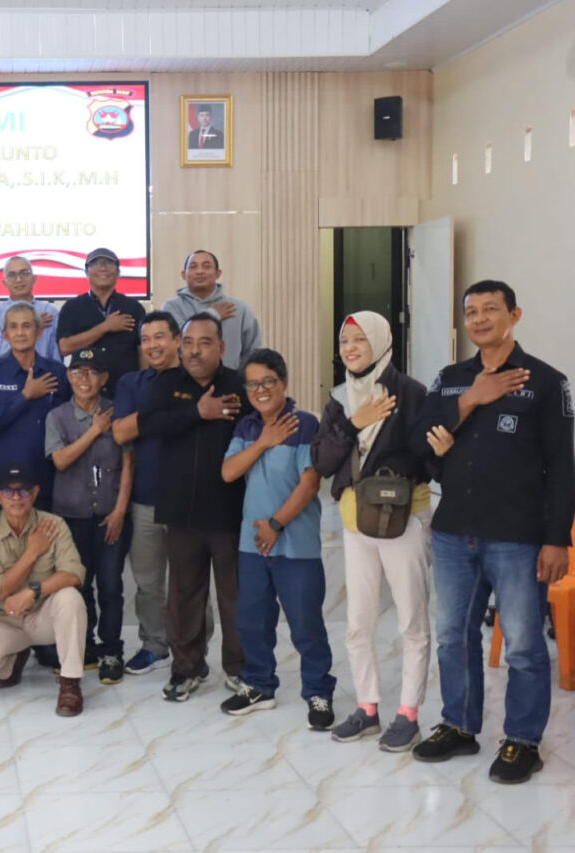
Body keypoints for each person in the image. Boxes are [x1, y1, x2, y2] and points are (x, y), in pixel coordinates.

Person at [411, 280, 573, 784]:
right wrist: (471, 400)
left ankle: (523, 739)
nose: (478, 319)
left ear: (514, 315)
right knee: (453, 637)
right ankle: (460, 725)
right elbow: (421, 441)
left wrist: (557, 539)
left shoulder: (545, 382)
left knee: (523, 643)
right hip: (454, 530)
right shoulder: (450, 379)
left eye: (490, 309)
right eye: (471, 311)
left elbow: (563, 467)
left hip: (516, 535)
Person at [312, 311, 433, 751]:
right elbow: (323, 462)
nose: (350, 348)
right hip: (355, 521)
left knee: (412, 620)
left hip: (402, 519)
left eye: (359, 339)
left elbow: (426, 458)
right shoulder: (339, 399)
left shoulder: (410, 392)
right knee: (358, 622)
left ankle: (408, 714)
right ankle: (367, 708)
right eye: (344, 340)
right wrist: (354, 423)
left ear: (381, 341)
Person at [219, 349, 336, 731]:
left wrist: (276, 524)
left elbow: (310, 483)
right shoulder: (247, 427)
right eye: (252, 384)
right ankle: (259, 685)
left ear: (283, 382)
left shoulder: (304, 424)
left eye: (268, 381)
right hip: (252, 545)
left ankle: (318, 690)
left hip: (295, 544)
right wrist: (264, 442)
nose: (260, 390)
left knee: (305, 625)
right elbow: (228, 472)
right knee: (252, 621)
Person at [140, 313, 249, 702]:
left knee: (235, 597)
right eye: (188, 343)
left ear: (221, 347)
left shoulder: (239, 384)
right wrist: (196, 413)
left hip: (229, 511)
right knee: (184, 596)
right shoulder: (166, 384)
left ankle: (240, 669)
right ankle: (186, 668)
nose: (194, 351)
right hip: (180, 511)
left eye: (204, 343)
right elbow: (149, 426)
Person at [113, 312, 209, 676]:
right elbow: (120, 433)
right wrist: (170, 413)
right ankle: (154, 644)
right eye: (146, 339)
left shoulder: (196, 379)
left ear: (176, 341)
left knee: (191, 582)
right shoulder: (132, 383)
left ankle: (195, 649)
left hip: (190, 500)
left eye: (159, 337)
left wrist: (148, 419)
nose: (152, 345)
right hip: (145, 499)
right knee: (148, 582)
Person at [0, 464, 88, 717]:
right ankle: (13, 663)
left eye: (23, 491)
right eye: (9, 492)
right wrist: (31, 553)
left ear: (35, 492)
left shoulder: (54, 524)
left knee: (70, 597)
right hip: (4, 619)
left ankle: (70, 682)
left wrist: (32, 591)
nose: (17, 498)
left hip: (44, 616)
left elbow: (74, 574)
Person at [46, 349, 132, 685]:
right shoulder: (57, 416)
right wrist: (94, 431)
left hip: (110, 515)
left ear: (104, 378)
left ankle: (111, 650)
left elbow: (129, 464)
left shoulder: (118, 411)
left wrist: (120, 510)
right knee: (77, 586)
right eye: (78, 372)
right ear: (69, 377)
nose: (85, 379)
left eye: (93, 372)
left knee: (110, 585)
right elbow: (60, 461)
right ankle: (83, 647)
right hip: (71, 517)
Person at [0, 301, 71, 510]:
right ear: (5, 334)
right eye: (14, 327)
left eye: (26, 326)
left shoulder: (57, 372)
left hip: (47, 479)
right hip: (4, 483)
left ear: (39, 332)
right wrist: (25, 396)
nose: (20, 333)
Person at [56, 248, 146, 396]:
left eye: (109, 263)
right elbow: (64, 347)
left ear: (118, 272)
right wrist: (105, 327)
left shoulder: (133, 307)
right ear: (86, 272)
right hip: (86, 394)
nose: (103, 268)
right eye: (96, 263)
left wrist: (143, 386)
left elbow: (142, 351)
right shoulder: (72, 307)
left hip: (126, 392)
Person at [160, 250, 262, 370]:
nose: (200, 271)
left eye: (206, 266)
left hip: (231, 379)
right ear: (184, 274)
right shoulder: (171, 307)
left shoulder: (238, 308)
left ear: (218, 273)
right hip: (183, 379)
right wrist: (213, 314)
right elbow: (176, 343)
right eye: (193, 267)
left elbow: (254, 351)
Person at [0, 257, 62, 363]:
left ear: (34, 279)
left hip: (45, 372)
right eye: (12, 275)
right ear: (5, 283)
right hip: (7, 372)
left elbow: (56, 356)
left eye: (24, 273)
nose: (19, 279)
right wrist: (32, 325)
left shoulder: (50, 312)